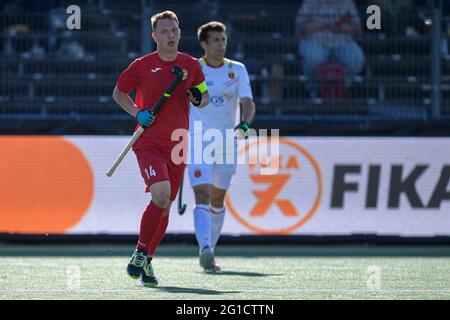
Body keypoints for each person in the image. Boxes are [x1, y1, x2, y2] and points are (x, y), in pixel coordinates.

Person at [112, 11, 210, 287]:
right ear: (154, 36)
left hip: (178, 143)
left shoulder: (191, 65)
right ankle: (141, 250)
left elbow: (204, 97)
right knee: (162, 194)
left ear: (180, 33)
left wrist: (198, 97)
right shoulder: (142, 66)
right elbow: (118, 93)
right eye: (165, 31)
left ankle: (147, 260)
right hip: (149, 141)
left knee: (164, 208)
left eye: (175, 30)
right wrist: (137, 112)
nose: (171, 35)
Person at [188, 21, 256, 272]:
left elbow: (248, 103)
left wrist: (245, 125)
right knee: (202, 195)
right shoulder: (192, 69)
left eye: (224, 39)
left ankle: (211, 250)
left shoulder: (237, 70)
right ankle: (204, 248)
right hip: (198, 141)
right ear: (204, 44)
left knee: (218, 198)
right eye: (216, 40)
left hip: (227, 142)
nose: (221, 44)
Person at [296, 0, 365, 98]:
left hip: (342, 41)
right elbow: (301, 29)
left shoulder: (347, 3)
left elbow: (357, 30)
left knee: (356, 59)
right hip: (315, 40)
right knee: (313, 59)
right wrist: (323, 24)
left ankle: (342, 88)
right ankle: (315, 91)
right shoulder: (310, 2)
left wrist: (341, 28)